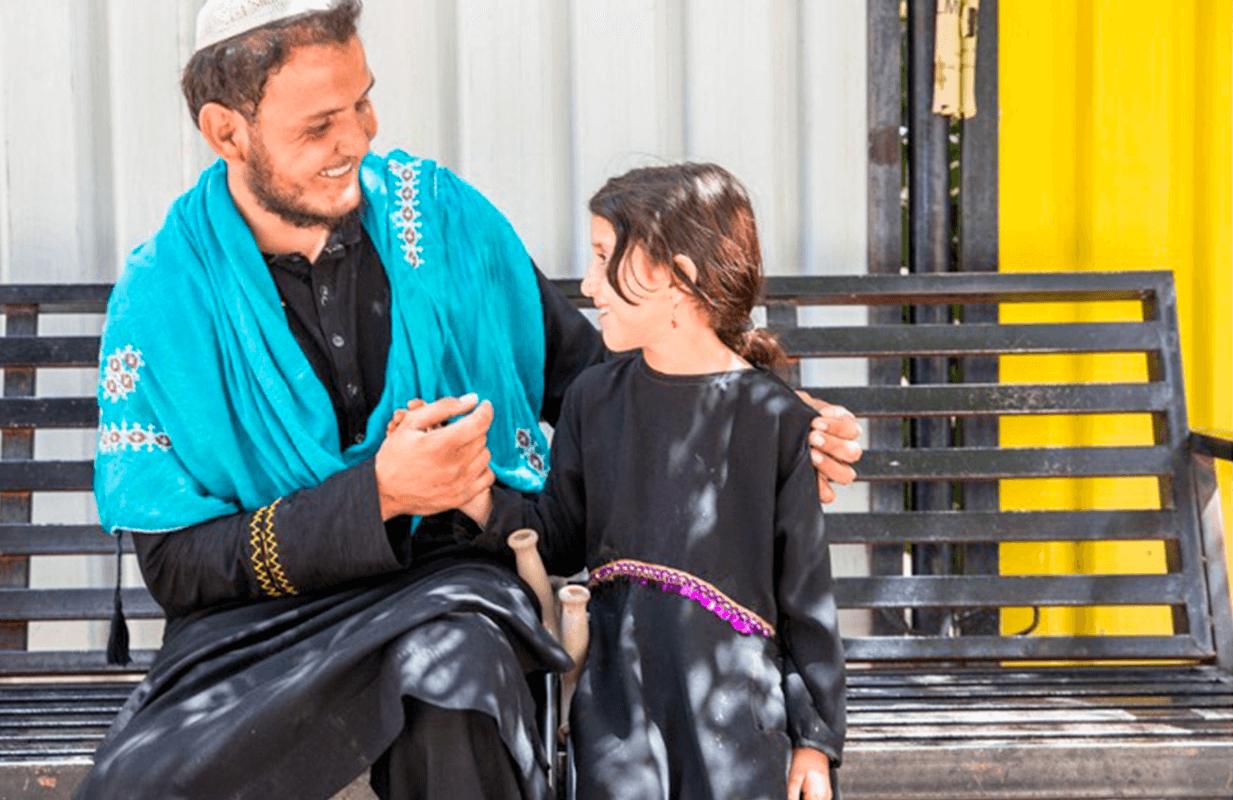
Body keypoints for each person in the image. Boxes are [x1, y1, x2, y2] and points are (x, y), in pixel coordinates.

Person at [77, 2, 860, 798]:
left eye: (363, 102)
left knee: (454, 680)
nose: (358, 137)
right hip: (259, 628)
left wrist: (763, 441)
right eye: (320, 124)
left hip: (452, 584)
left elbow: (613, 387)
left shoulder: (446, 222)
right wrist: (378, 496)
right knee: (144, 783)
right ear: (226, 132)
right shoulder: (165, 296)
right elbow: (177, 567)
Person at [459, 163, 844, 800]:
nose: (587, 285)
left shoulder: (774, 420)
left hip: (736, 706)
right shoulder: (593, 399)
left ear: (677, 275)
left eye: (606, 257)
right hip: (618, 697)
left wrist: (814, 740)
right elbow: (559, 536)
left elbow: (806, 596)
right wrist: (479, 500)